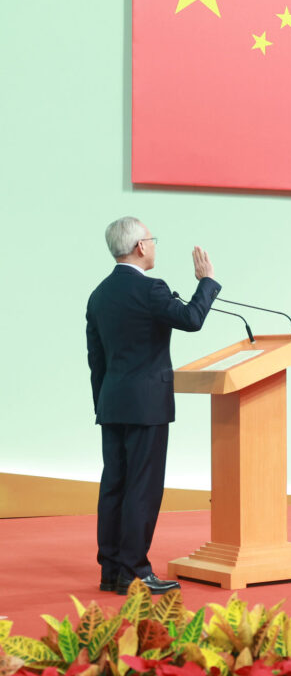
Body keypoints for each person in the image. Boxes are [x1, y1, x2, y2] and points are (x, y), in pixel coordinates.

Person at [86, 217, 220, 594]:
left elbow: (96, 360)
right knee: (142, 489)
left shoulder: (98, 294)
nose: (154, 245)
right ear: (141, 247)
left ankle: (111, 571)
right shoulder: (150, 289)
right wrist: (206, 282)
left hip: (112, 404)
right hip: (146, 406)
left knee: (114, 486)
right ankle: (135, 573)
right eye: (152, 240)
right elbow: (191, 319)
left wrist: (104, 403)